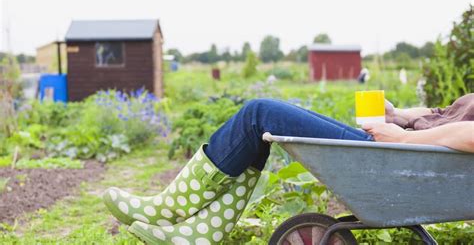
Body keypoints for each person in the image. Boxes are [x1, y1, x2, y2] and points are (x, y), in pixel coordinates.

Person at [103, 93, 474, 244]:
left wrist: (402, 139)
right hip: (405, 151)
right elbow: (446, 115)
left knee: (260, 113)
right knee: (262, 120)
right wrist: (399, 116)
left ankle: (174, 210)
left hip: (404, 156)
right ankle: (199, 229)